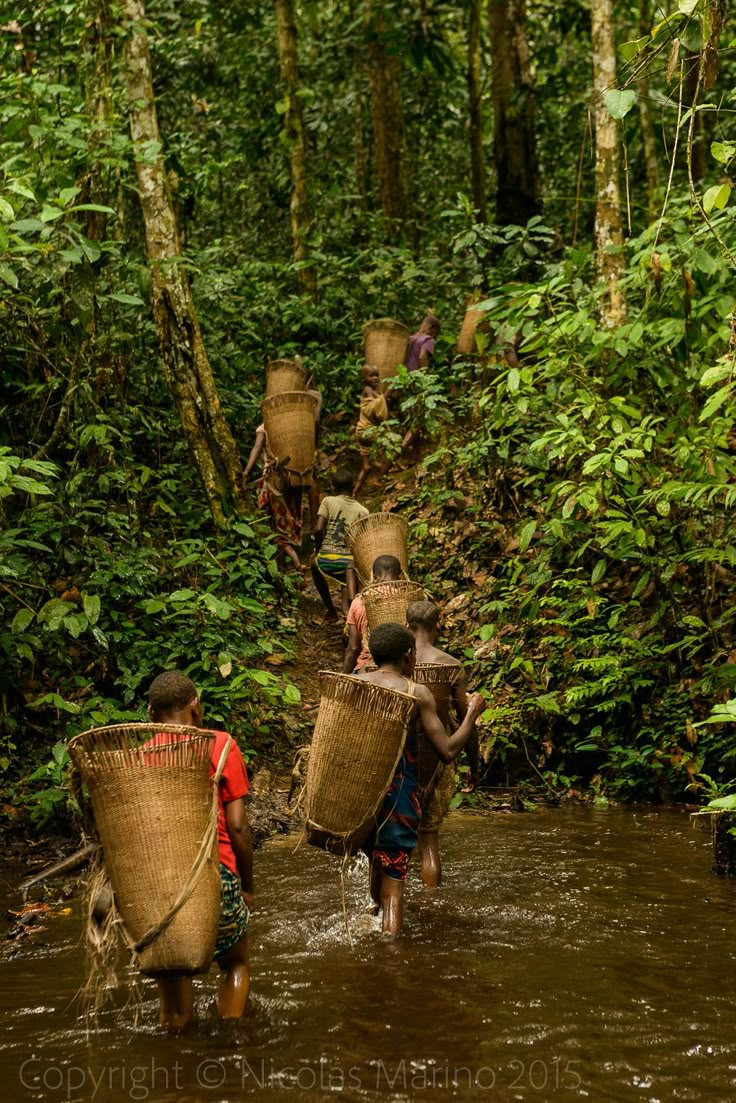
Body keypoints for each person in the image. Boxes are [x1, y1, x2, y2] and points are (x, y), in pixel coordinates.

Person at [354, 623, 485, 936]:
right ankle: (390, 957)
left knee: (376, 862)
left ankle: (373, 930)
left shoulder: (356, 682)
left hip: (360, 796)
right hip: (397, 798)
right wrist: (472, 713)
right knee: (393, 891)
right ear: (409, 656)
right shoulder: (416, 693)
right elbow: (448, 750)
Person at [147, 671, 253, 1030]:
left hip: (161, 891)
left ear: (151, 714)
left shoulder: (139, 757)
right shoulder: (220, 745)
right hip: (214, 874)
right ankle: (231, 1043)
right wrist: (248, 885)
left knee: (174, 1008)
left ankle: (177, 1076)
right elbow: (238, 826)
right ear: (195, 706)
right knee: (235, 965)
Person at [406, 600, 479, 889]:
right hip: (439, 761)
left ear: (405, 625)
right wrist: (475, 766)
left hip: (400, 764)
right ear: (438, 625)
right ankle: (432, 903)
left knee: (389, 841)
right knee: (429, 840)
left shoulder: (395, 663)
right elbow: (465, 722)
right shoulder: (451, 666)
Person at [243, 423, 305, 572]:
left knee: (271, 524)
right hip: (291, 479)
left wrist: (246, 472)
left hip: (272, 482)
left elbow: (257, 448)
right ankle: (285, 564)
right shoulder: (291, 426)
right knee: (285, 520)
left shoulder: (263, 428)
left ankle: (293, 563)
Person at [311, 467, 368, 622]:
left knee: (314, 566)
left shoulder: (328, 501)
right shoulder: (363, 511)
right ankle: (348, 617)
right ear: (354, 485)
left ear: (333, 487)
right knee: (348, 577)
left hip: (326, 559)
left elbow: (317, 529)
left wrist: (318, 551)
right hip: (349, 562)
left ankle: (330, 609)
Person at [343, 554, 402, 673]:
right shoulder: (408, 599)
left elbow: (354, 648)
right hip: (399, 670)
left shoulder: (359, 601)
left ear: (373, 576)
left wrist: (344, 677)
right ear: (400, 576)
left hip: (366, 669)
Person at [353, 363, 389, 497]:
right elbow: (375, 408)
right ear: (364, 379)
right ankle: (381, 477)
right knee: (390, 447)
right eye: (371, 375)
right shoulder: (368, 390)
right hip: (368, 431)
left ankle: (354, 492)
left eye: (377, 375)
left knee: (366, 466)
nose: (375, 378)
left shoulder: (373, 391)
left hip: (361, 431)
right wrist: (388, 392)